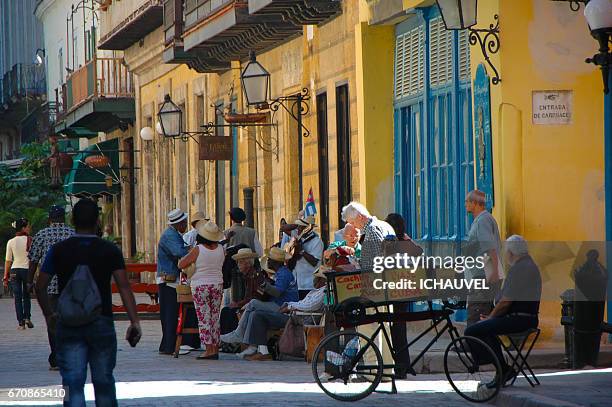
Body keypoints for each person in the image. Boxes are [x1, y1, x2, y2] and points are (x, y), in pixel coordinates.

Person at [35, 198, 141, 407]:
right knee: (103, 382)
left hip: (68, 322)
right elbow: (124, 286)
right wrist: (134, 321)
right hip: (101, 320)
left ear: (73, 220)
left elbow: (40, 285)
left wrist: (50, 315)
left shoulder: (59, 250)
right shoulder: (109, 250)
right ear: (97, 221)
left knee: (72, 383)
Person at [464, 235, 541, 387]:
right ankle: (502, 368)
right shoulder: (529, 265)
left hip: (519, 319)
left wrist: (491, 317)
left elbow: (506, 302)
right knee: (487, 328)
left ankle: (498, 367)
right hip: (524, 317)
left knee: (471, 331)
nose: (506, 257)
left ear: (512, 253)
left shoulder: (519, 269)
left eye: (506, 253)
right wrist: (492, 318)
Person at [220, 246, 299, 357]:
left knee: (252, 303)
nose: (268, 261)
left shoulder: (284, 273)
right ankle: (252, 346)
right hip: (277, 305)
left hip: (283, 307)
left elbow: (277, 293)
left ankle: (238, 334)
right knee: (253, 313)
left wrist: (263, 285)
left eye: (270, 259)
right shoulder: (279, 273)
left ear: (276, 262)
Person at [242, 268, 328, 361]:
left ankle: (263, 352)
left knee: (258, 315)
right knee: (256, 313)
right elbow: (303, 303)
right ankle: (257, 348)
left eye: (317, 278)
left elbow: (310, 306)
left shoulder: (323, 292)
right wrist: (289, 305)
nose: (314, 280)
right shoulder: (315, 292)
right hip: (294, 314)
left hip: (299, 318)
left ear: (323, 280)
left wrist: (289, 307)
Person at [27, 205, 75, 370]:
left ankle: (56, 355)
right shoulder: (72, 234)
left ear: (50, 218)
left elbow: (33, 260)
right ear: (64, 218)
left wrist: (28, 282)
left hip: (48, 287)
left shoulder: (41, 235)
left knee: (52, 320)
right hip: (70, 286)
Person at [177, 221, 225, 360]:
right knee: (215, 318)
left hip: (200, 286)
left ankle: (209, 349)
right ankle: (215, 348)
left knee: (204, 318)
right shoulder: (222, 249)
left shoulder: (198, 249)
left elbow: (181, 264)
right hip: (217, 284)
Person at [463, 190, 504, 326]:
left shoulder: (482, 220)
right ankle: (481, 344)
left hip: (484, 275)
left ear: (475, 203)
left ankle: (472, 344)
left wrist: (494, 272)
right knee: (483, 312)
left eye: (467, 201)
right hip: (485, 274)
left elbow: (490, 248)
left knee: (476, 312)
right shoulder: (484, 219)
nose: (465, 205)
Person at [157, 208, 190, 355]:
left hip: (169, 278)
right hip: (168, 279)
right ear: (179, 223)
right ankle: (169, 346)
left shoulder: (173, 234)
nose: (186, 226)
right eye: (185, 223)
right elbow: (180, 253)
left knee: (169, 313)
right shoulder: (170, 235)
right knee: (170, 313)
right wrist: (194, 250)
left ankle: (167, 345)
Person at [3, 218, 33, 330]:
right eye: (28, 226)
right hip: (26, 270)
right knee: (26, 295)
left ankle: (20, 322)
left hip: (15, 270)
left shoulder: (11, 242)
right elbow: (33, 259)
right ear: (23, 228)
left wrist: (5, 276)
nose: (29, 228)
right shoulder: (30, 240)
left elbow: (8, 261)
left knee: (17, 297)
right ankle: (27, 318)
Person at [286, 217, 324, 299]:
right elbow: (283, 228)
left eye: (301, 227)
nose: (298, 229)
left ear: (308, 228)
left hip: (309, 284)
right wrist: (296, 225)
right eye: (298, 226)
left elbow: (315, 262)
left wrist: (302, 251)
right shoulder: (298, 238)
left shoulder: (317, 241)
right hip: (296, 283)